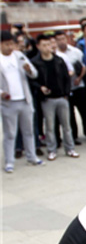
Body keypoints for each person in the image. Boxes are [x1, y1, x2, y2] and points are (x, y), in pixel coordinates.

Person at [1, 31, 45, 173]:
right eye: (6, 44)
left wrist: (29, 70)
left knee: (29, 131)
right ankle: (9, 161)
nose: (10, 47)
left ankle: (32, 157)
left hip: (25, 99)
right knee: (10, 133)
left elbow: (34, 73)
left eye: (12, 44)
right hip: (8, 102)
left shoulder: (19, 56)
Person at [31, 34, 78, 161]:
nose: (47, 48)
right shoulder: (36, 62)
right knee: (50, 127)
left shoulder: (59, 60)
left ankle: (70, 148)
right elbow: (32, 80)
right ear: (38, 47)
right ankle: (52, 150)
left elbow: (66, 78)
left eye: (49, 44)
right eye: (44, 45)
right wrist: (40, 87)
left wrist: (67, 93)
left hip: (62, 97)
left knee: (66, 125)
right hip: (47, 99)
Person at [53, 30, 86, 145]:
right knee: (70, 115)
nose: (61, 42)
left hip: (78, 85)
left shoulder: (76, 52)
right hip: (65, 89)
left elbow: (84, 66)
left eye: (63, 39)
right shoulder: (55, 55)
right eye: (58, 40)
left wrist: (79, 77)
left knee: (85, 111)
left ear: (67, 39)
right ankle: (74, 137)